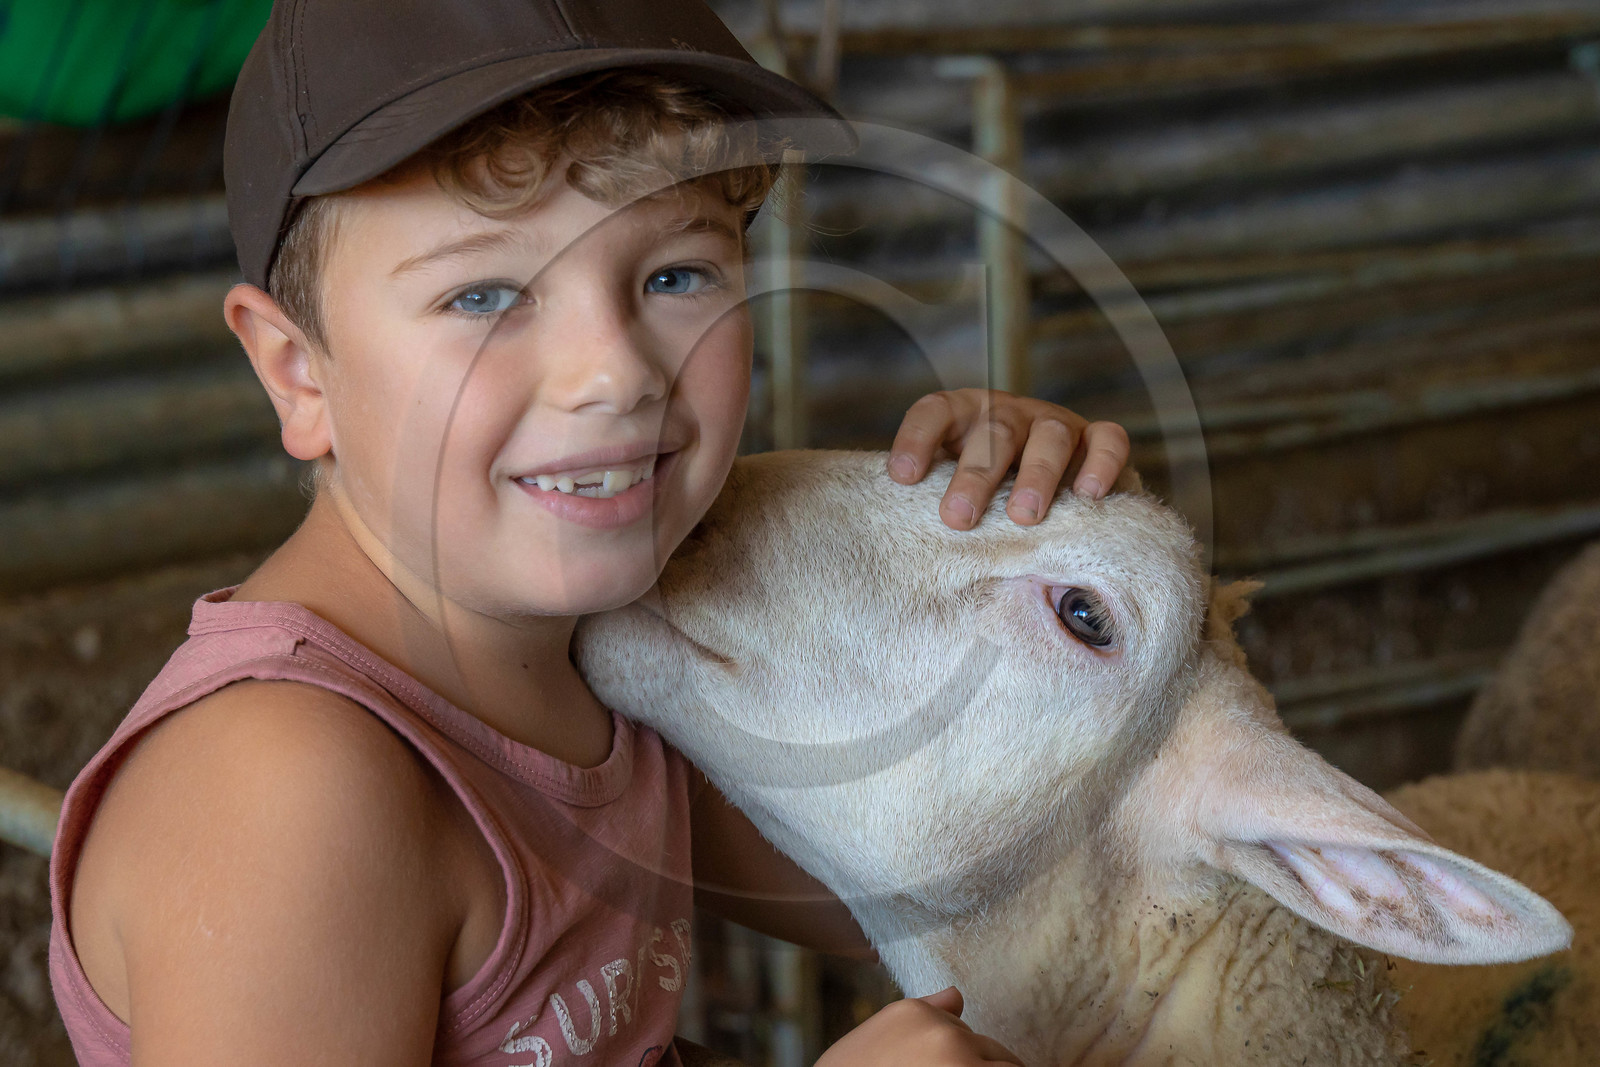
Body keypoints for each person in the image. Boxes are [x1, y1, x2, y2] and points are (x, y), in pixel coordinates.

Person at [47, 1, 1131, 1063]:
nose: (613, 370)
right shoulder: (292, 794)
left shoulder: (618, 650)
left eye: (675, 275)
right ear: (297, 372)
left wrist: (1025, 548)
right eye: (484, 294)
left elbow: (929, 903)